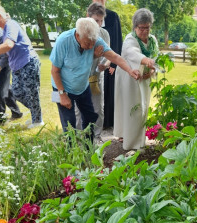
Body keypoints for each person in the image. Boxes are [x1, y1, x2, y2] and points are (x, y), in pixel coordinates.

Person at [50, 17, 139, 143]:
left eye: (93, 42)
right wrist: (62, 94)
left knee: (90, 117)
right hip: (63, 87)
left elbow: (115, 57)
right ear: (78, 35)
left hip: (82, 86)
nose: (92, 46)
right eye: (88, 43)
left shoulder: (94, 39)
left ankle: (89, 147)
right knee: (69, 124)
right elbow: (55, 71)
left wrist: (130, 70)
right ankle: (70, 154)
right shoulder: (64, 41)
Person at [0, 3, 43, 129]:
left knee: (31, 93)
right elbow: (5, 52)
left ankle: (37, 120)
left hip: (28, 62)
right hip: (16, 66)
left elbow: (8, 45)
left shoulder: (11, 25)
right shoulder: (4, 29)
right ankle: (35, 113)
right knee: (17, 93)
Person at [113, 8, 159, 151]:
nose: (145, 31)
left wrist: (151, 71)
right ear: (135, 27)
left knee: (143, 107)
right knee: (131, 109)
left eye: (147, 27)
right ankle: (130, 141)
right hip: (129, 80)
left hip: (145, 79)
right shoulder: (130, 39)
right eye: (141, 28)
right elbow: (133, 54)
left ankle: (139, 138)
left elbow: (157, 56)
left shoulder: (152, 40)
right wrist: (147, 61)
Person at [75, 2, 111, 143]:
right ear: (87, 17)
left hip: (96, 78)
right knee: (78, 110)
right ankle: (78, 136)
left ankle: (96, 135)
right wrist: (94, 56)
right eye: (96, 20)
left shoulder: (104, 34)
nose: (99, 24)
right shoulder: (80, 32)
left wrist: (106, 65)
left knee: (98, 108)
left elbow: (109, 55)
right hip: (80, 78)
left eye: (101, 21)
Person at [92, 0, 123, 129]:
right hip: (90, 67)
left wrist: (112, 64)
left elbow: (116, 42)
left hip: (109, 63)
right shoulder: (88, 17)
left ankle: (107, 121)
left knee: (107, 92)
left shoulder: (113, 16)